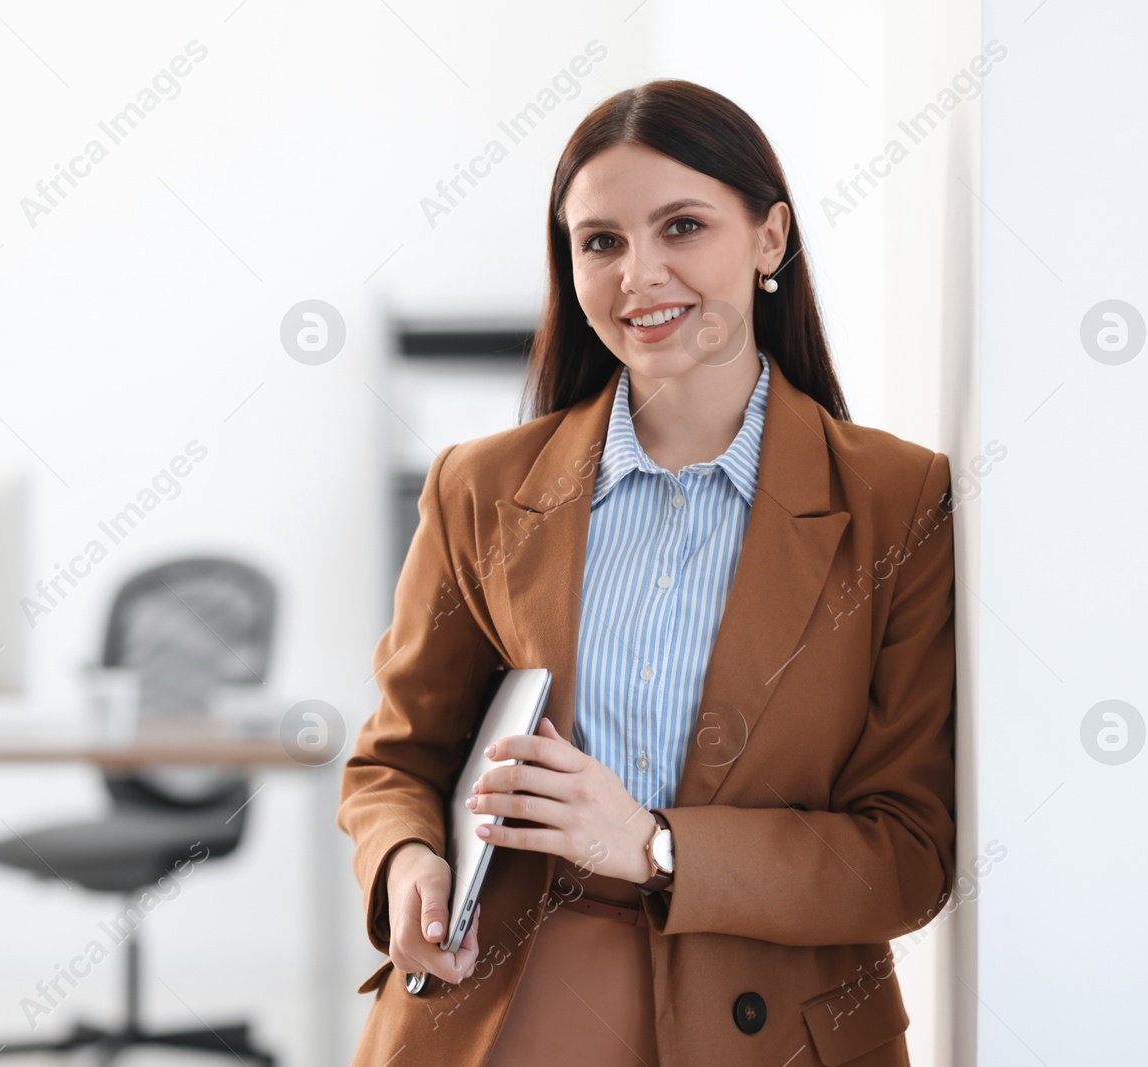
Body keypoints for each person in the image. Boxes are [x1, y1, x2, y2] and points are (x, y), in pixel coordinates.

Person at [336, 78, 957, 1067]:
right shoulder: (481, 488)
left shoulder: (898, 500)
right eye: (601, 242)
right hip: (499, 1007)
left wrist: (654, 844)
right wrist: (406, 856)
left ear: (770, 239)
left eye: (681, 226)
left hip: (768, 1021)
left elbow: (908, 854)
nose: (640, 275)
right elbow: (395, 760)